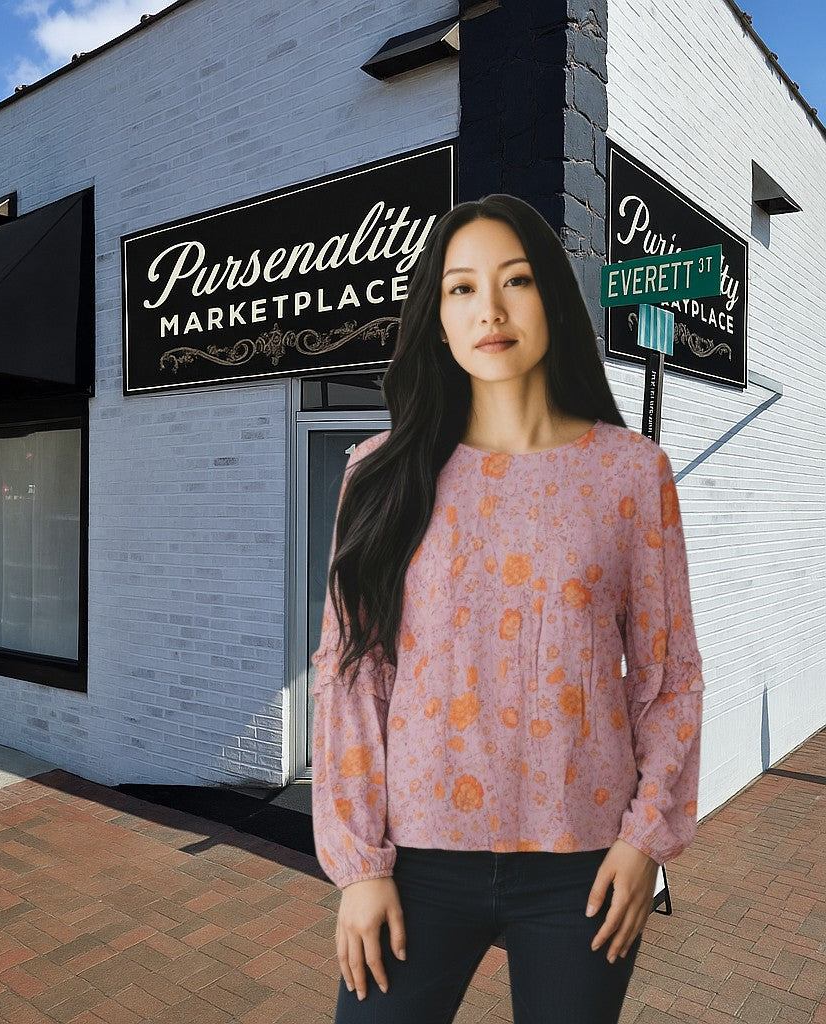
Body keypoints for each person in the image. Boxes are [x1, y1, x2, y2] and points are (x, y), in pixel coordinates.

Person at [310, 194, 705, 1024]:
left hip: (585, 866)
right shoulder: (379, 474)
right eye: (460, 289)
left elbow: (669, 677)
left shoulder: (631, 474)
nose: (488, 309)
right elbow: (351, 676)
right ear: (438, 317)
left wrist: (643, 845)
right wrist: (360, 866)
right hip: (414, 862)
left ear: (552, 299)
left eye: (515, 280)